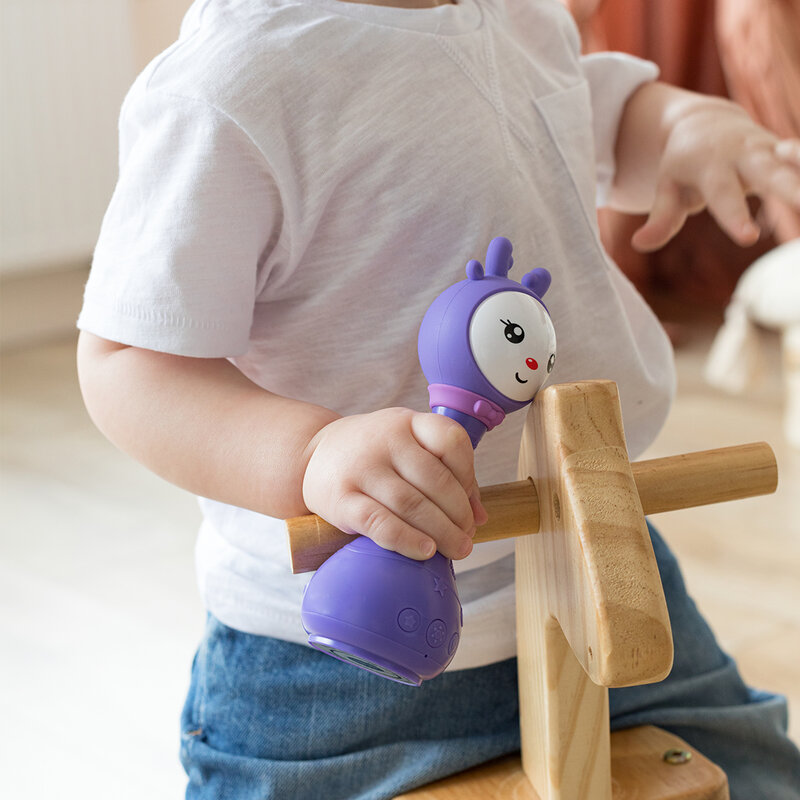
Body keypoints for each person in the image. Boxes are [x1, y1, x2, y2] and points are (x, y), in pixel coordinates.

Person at [76, 0, 800, 797]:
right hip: (338, 662)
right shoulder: (231, 83)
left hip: (597, 553)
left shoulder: (521, 13)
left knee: (756, 775)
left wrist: (672, 128)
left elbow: (572, 112)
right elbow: (127, 361)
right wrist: (309, 453)